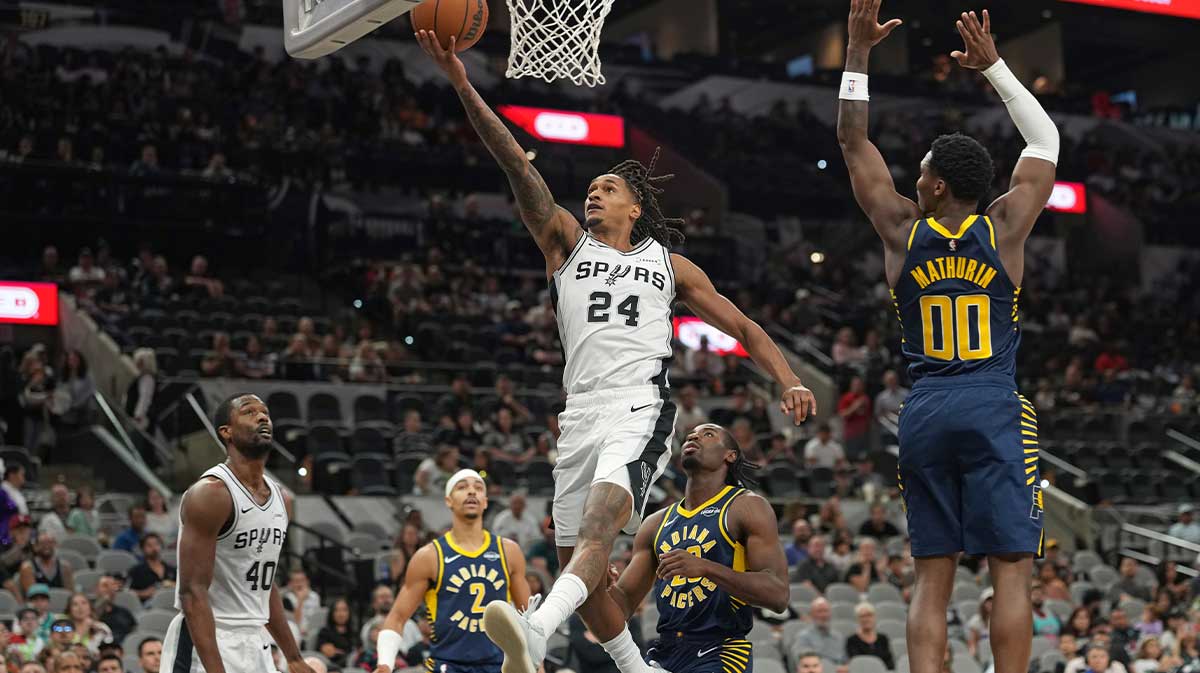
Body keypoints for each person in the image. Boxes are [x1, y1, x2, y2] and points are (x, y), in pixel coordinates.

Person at [412, 29, 817, 673]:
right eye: (591, 188)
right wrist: (462, 82)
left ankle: (537, 626)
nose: (592, 194)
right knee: (588, 568)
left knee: (601, 529)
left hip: (638, 406)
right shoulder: (566, 243)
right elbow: (517, 164)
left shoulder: (669, 264)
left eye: (606, 188)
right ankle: (636, 669)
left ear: (634, 207)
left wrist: (787, 377)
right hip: (580, 413)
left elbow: (742, 326)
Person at [837, 5, 1061, 673]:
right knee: (1012, 569)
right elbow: (1045, 140)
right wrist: (993, 66)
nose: (914, 177)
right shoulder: (1007, 225)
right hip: (994, 403)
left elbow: (854, 145)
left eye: (923, 170)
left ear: (936, 185)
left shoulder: (903, 230)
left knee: (931, 576)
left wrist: (857, 53)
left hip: (927, 407)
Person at [603, 423, 788, 673]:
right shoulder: (655, 523)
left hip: (721, 651)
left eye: (708, 434)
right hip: (665, 651)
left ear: (729, 455)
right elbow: (622, 605)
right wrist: (604, 587)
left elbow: (778, 595)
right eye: (691, 435)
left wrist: (706, 568)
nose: (694, 437)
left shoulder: (747, 507)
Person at [161, 394, 314, 673]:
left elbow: (263, 586)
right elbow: (192, 593)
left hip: (256, 640)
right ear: (226, 432)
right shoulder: (211, 494)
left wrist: (293, 657)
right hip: (207, 638)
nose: (262, 417)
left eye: (265, 412)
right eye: (249, 412)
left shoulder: (282, 499)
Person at [372, 468, 532, 673]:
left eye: (478, 488)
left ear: (485, 501)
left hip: (499, 665)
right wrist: (385, 663)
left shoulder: (509, 551)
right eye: (462, 487)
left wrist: (538, 664)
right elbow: (397, 617)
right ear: (449, 500)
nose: (471, 492)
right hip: (448, 665)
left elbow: (528, 618)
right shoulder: (429, 556)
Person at [791, 598, 846, 667]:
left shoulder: (838, 636)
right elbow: (803, 664)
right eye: (819, 611)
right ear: (811, 615)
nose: (823, 615)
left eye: (826, 611)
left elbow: (845, 661)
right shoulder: (803, 637)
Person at [128, 533, 176, 601]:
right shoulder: (136, 571)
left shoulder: (171, 569)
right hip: (148, 606)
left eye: (157, 544)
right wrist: (143, 593)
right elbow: (127, 592)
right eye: (149, 545)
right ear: (142, 549)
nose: (154, 548)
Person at [846, 603, 893, 669]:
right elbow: (857, 663)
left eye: (869, 615)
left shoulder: (883, 639)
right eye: (862, 616)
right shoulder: (852, 640)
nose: (866, 619)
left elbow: (890, 664)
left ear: (874, 617)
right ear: (857, 619)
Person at [93, 575, 136, 645]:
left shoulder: (124, 612)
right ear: (96, 589)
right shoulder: (87, 613)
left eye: (112, 586)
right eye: (105, 586)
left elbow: (134, 633)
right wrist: (103, 602)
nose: (109, 589)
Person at [281, 569, 322, 644]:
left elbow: (318, 617)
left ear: (307, 582)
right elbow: (295, 622)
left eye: (302, 580)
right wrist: (300, 601)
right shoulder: (287, 599)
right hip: (296, 635)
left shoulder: (315, 596)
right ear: (290, 584)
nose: (299, 584)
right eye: (296, 581)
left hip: (313, 633)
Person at [315, 598, 355, 668]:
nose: (341, 614)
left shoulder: (354, 632)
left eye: (344, 610)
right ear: (332, 613)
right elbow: (328, 652)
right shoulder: (325, 632)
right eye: (337, 610)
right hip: (330, 666)